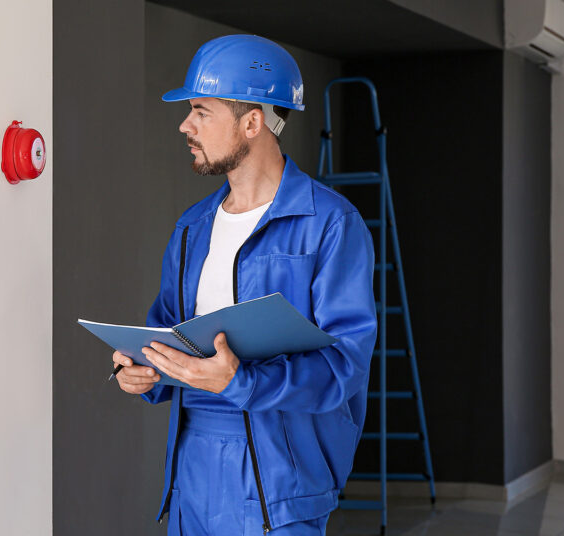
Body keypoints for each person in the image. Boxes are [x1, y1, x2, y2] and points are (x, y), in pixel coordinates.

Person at [111, 35, 378, 535]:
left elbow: (346, 364)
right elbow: (166, 332)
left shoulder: (330, 224)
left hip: (279, 480)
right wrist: (144, 372)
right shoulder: (192, 227)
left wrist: (243, 383)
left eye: (201, 111)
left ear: (252, 121)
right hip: (192, 471)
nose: (185, 125)